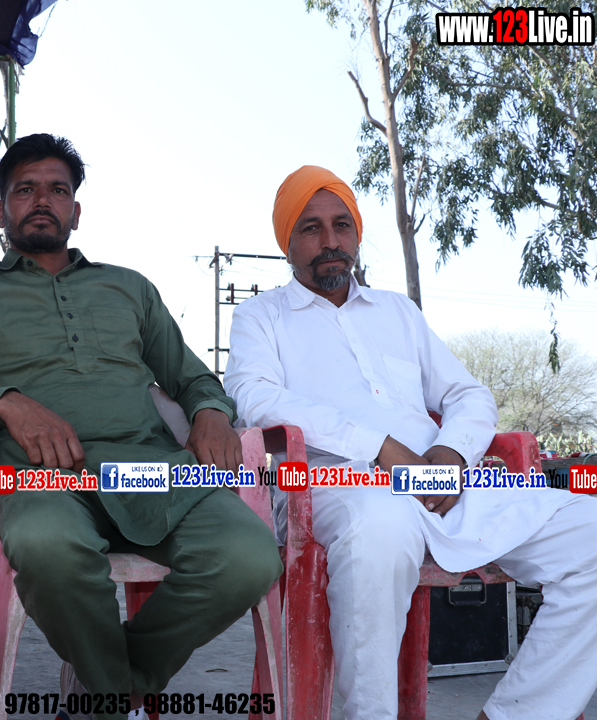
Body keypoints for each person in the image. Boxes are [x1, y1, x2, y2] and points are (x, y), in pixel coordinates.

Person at [0, 133, 281, 720]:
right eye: (25, 190)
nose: (42, 201)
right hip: (38, 476)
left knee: (249, 555)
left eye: (57, 190)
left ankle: (108, 689)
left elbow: (192, 377)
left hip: (156, 470)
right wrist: (7, 403)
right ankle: (117, 698)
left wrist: (212, 412)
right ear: (1, 209)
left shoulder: (129, 287)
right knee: (46, 544)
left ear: (76, 211)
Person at [225, 165, 597, 720]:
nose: (330, 241)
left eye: (342, 225)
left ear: (356, 234)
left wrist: (452, 453)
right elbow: (254, 397)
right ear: (287, 242)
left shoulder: (396, 311)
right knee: (382, 523)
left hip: (439, 483)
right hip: (333, 486)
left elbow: (467, 394)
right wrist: (379, 445)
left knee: (590, 533)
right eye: (310, 228)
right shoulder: (262, 317)